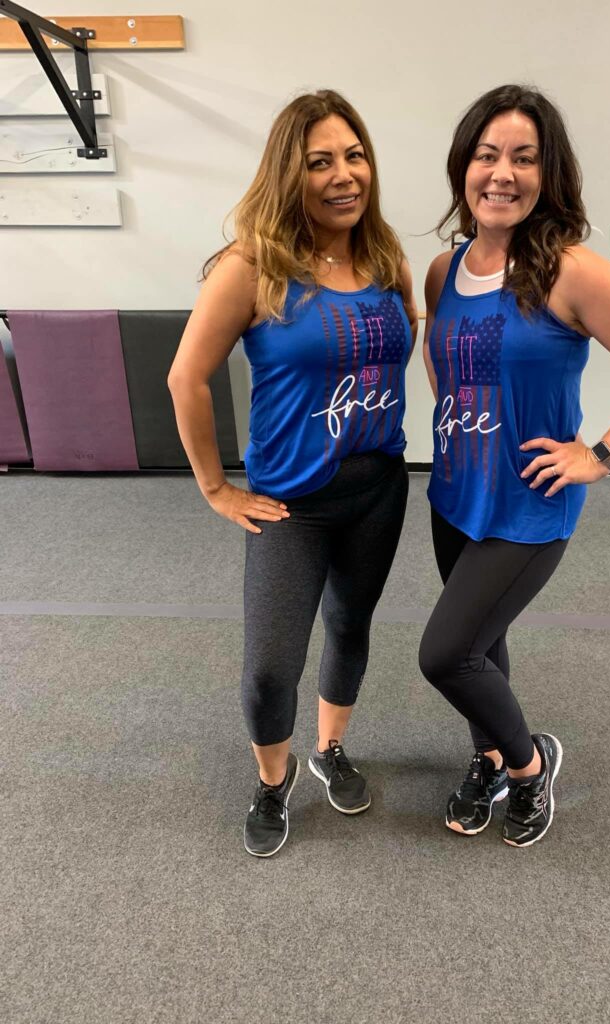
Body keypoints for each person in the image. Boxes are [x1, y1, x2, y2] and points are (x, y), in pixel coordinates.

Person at [419, 84, 610, 847]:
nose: (502, 173)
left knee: (445, 653)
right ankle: (487, 758)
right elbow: (446, 360)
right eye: (487, 155)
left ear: (549, 174)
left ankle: (530, 764)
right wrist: (465, 426)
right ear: (464, 166)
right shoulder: (443, 271)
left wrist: (599, 455)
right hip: (456, 494)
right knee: (483, 642)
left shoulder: (571, 272)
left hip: (530, 504)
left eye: (524, 158)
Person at [168, 90, 417, 858]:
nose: (344, 175)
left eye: (354, 155)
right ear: (289, 173)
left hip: (379, 486)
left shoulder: (385, 258)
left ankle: (330, 750)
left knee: (350, 625)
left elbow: (413, 342)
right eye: (320, 162)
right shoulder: (253, 266)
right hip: (290, 505)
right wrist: (216, 488)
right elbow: (186, 377)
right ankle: (273, 783)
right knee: (271, 666)